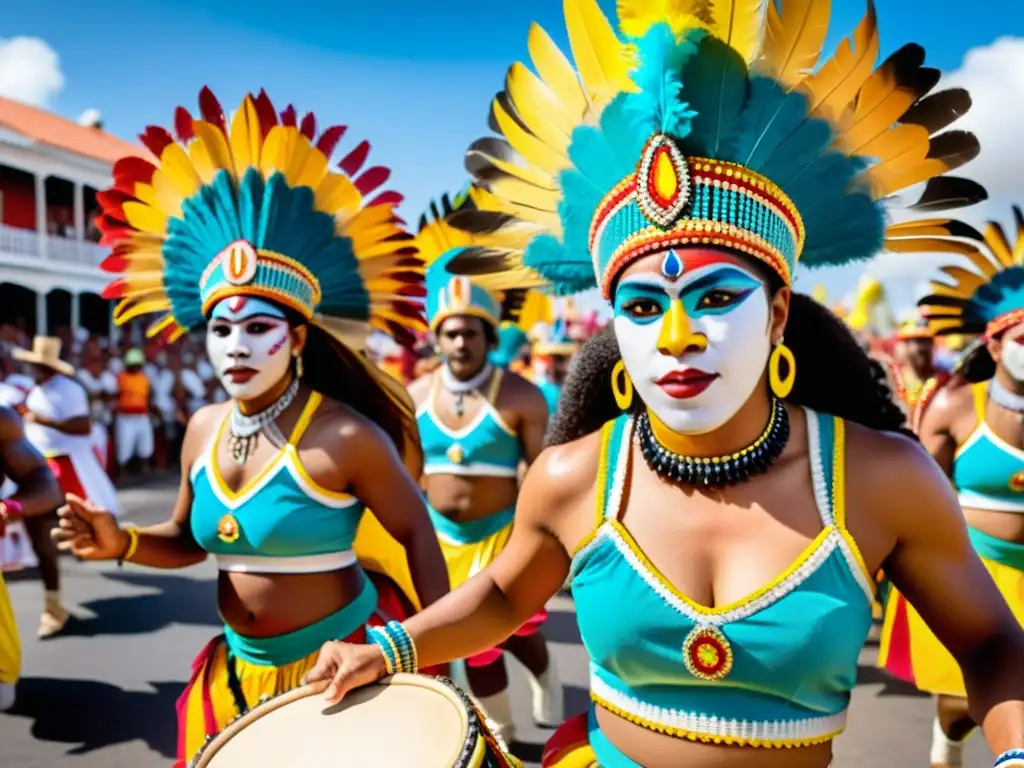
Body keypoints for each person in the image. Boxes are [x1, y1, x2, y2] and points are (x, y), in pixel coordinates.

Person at [303, 3, 1024, 767]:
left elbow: (987, 641)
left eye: (715, 298)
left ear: (778, 313)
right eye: (643, 308)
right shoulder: (574, 474)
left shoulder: (879, 478)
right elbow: (507, 596)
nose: (676, 337)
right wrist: (388, 648)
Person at [50, 87, 449, 766]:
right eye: (221, 329)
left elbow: (417, 533)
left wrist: (430, 661)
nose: (235, 346)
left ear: (296, 340)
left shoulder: (344, 435)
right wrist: (123, 543)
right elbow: (186, 541)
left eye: (257, 328)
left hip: (343, 670)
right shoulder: (203, 428)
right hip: (232, 678)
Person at [376, 187, 559, 742]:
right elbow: (403, 480)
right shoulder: (413, 392)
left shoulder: (522, 396)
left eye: (471, 332)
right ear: (437, 336)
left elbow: (543, 473)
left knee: (517, 634)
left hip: (501, 538)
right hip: (441, 541)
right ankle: (500, 735)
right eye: (451, 332)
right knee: (477, 647)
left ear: (490, 335)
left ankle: (546, 673)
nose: (461, 341)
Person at [878, 206, 1024, 768]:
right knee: (961, 702)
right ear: (994, 345)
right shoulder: (957, 406)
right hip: (980, 570)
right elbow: (918, 491)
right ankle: (946, 750)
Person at [14, 336, 118, 637]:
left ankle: (54, 602)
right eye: (33, 364)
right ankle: (54, 602)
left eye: (40, 365)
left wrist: (41, 420)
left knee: (65, 523)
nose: (35, 369)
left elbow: (82, 426)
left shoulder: (70, 390)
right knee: (40, 529)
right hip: (36, 465)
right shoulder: (37, 389)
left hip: (64, 464)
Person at [0, 402, 62, 710]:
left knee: (2, 693)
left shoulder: (2, 420)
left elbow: (44, 482)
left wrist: (11, 508)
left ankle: (54, 600)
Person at [114, 347, 157, 473]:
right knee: (125, 444)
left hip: (142, 415)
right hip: (126, 417)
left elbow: (149, 394)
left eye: (138, 365)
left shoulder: (143, 377)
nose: (136, 368)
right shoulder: (120, 377)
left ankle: (146, 468)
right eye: (133, 365)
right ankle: (123, 472)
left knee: (146, 443)